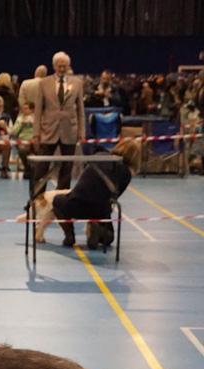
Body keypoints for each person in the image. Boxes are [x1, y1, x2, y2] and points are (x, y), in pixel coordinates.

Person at [52, 138, 140, 248]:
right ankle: (98, 229)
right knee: (109, 239)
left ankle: (69, 235)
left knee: (56, 200)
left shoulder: (100, 155)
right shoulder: (126, 174)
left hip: (76, 203)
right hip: (100, 210)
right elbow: (115, 196)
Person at [33, 51, 85, 195]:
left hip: (69, 131)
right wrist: (36, 133)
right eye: (59, 66)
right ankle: (36, 198)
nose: (62, 69)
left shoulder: (77, 83)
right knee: (41, 167)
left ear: (68, 66)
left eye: (64, 66)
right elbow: (38, 111)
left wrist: (81, 132)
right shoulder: (43, 83)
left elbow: (80, 110)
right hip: (48, 131)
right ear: (54, 66)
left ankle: (62, 199)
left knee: (66, 168)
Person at [10, 101, 35, 179]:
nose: (24, 111)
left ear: (32, 110)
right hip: (23, 140)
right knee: (23, 150)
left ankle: (37, 170)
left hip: (36, 140)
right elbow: (13, 133)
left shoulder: (38, 118)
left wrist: (33, 123)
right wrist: (20, 124)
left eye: (26, 109)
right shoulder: (20, 118)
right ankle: (27, 169)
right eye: (23, 109)